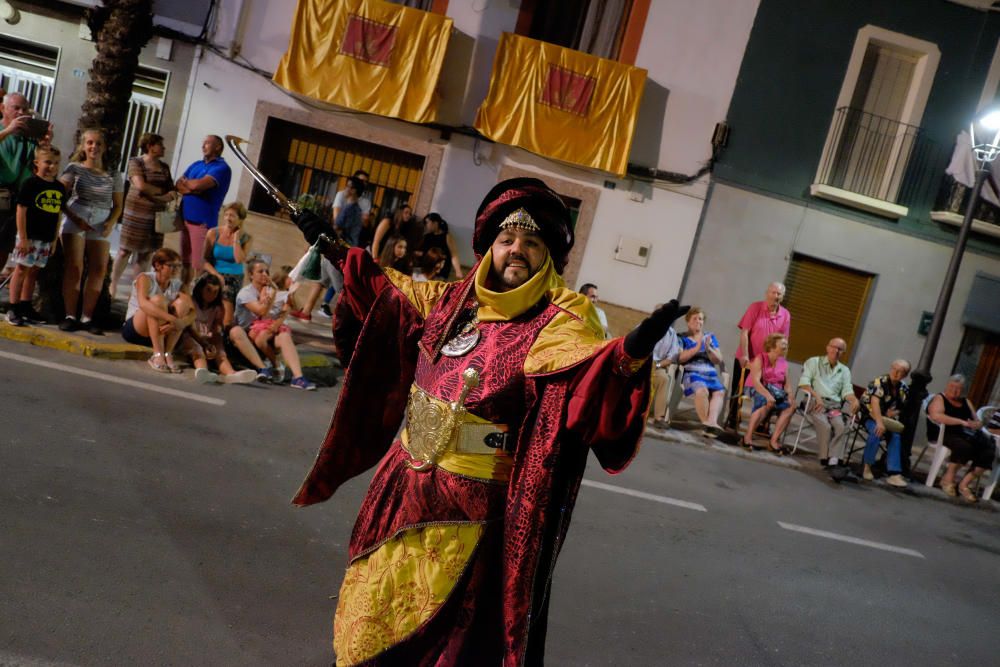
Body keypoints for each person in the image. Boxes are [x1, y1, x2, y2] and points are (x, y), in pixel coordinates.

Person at [290, 176, 687, 664]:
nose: (516, 249)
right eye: (507, 239)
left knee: (443, 642)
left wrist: (632, 350)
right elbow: (383, 291)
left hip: (471, 514)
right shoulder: (453, 302)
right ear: (489, 248)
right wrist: (330, 244)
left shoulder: (561, 321)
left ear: (550, 257)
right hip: (399, 492)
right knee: (370, 618)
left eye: (532, 242)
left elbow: (588, 379)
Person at [59, 128, 124, 335]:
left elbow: (118, 205)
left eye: (97, 143)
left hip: (102, 219)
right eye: (89, 143)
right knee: (74, 267)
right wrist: (74, 217)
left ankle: (87, 317)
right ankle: (70, 315)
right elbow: (60, 194)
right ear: (83, 145)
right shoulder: (74, 168)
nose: (93, 147)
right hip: (77, 215)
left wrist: (110, 223)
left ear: (103, 147)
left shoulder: (113, 173)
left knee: (98, 269)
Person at [232, 259, 316, 390]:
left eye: (267, 271)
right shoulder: (246, 293)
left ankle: (298, 378)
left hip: (265, 331)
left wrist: (278, 322)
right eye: (260, 271)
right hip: (247, 334)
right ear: (251, 275)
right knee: (242, 332)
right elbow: (262, 312)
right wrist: (275, 293)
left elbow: (288, 309)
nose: (265, 274)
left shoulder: (271, 291)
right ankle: (269, 366)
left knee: (284, 336)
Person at [110, 132, 175, 298]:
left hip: (155, 216)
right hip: (136, 213)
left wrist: (162, 194)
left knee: (146, 253)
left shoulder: (164, 167)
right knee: (125, 250)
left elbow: (171, 189)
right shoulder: (136, 162)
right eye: (160, 144)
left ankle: (137, 290)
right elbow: (140, 185)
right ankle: (113, 283)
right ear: (150, 146)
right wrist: (161, 193)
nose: (164, 148)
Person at [5, 146, 65, 326]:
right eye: (47, 162)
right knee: (22, 269)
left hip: (46, 237)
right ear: (37, 163)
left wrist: (54, 240)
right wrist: (22, 237)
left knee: (34, 270)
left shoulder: (59, 188)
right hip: (29, 236)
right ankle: (13, 307)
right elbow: (21, 210)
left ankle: (25, 305)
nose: (51, 167)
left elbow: (58, 215)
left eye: (55, 163)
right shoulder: (30, 184)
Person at [725, 282, 791, 430]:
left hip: (767, 362)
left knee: (769, 391)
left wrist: (778, 363)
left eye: (779, 294)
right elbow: (744, 333)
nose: (775, 296)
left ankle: (761, 423)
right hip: (748, 357)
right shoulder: (755, 307)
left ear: (782, 296)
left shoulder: (785, 315)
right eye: (773, 292)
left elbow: (783, 342)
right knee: (738, 388)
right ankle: (732, 418)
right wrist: (745, 355)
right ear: (767, 293)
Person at [0, 92, 53, 274]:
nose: (21, 112)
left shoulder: (30, 139)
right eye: (16, 108)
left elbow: (42, 168)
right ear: (3, 109)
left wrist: (45, 144)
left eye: (24, 109)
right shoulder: (2, 132)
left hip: (17, 201)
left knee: (3, 248)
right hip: (1, 193)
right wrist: (8, 131)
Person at [121, 247, 194, 373]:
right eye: (171, 266)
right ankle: (157, 354)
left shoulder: (179, 285)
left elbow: (193, 312)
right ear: (158, 265)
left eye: (178, 266)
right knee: (157, 301)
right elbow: (143, 304)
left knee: (183, 303)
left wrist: (182, 322)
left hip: (162, 331)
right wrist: (172, 319)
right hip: (137, 329)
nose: (176, 269)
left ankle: (168, 353)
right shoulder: (145, 278)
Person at [179, 272, 257, 384]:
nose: (212, 295)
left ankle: (231, 374)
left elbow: (217, 329)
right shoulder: (192, 302)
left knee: (219, 351)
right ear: (201, 289)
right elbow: (189, 328)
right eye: (208, 290)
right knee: (197, 349)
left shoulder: (217, 308)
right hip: (191, 336)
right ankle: (202, 370)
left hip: (207, 338)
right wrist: (203, 342)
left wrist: (214, 343)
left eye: (216, 292)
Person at [176, 135, 232, 285]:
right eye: (203, 143)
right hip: (186, 219)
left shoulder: (222, 168)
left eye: (207, 143)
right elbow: (178, 184)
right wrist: (192, 188)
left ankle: (196, 299)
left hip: (202, 223)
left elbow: (197, 185)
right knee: (185, 262)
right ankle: (184, 293)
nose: (203, 146)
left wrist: (191, 186)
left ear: (218, 147)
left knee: (199, 264)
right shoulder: (196, 165)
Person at [798, 337, 859, 474]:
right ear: (827, 347)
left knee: (841, 427)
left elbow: (847, 391)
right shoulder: (814, 362)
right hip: (814, 401)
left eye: (840, 349)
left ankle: (834, 462)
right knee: (825, 426)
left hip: (834, 406)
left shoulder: (844, 370)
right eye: (833, 347)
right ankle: (826, 459)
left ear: (843, 352)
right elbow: (804, 383)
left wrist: (854, 400)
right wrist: (817, 397)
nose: (836, 351)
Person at [928, 374, 993, 502]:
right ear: (947, 386)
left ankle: (964, 484)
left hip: (965, 434)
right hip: (945, 433)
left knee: (988, 452)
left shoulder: (965, 401)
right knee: (963, 447)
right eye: (952, 387)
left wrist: (977, 424)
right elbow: (937, 416)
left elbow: (977, 421)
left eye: (958, 388)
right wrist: (960, 422)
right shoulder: (939, 398)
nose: (955, 391)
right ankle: (948, 479)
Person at [858, 359, 911, 487]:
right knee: (877, 430)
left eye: (900, 371)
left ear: (905, 375)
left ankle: (894, 473)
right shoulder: (879, 382)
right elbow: (874, 403)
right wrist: (880, 422)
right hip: (869, 415)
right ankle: (867, 466)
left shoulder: (903, 388)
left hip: (886, 418)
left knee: (896, 435)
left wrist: (894, 413)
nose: (896, 372)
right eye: (894, 368)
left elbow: (902, 407)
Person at [202, 201, 252, 328]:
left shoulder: (246, 237)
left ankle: (225, 330)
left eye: (232, 216)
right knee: (203, 288)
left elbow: (239, 259)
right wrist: (216, 275)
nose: (228, 219)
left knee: (226, 293)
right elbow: (204, 260)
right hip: (214, 273)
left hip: (233, 277)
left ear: (240, 220)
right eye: (227, 215)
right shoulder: (213, 233)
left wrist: (236, 239)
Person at [743, 333, 795, 453]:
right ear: (772, 346)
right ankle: (747, 437)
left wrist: (790, 395)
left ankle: (773, 441)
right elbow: (756, 381)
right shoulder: (760, 358)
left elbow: (786, 384)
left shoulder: (784, 363)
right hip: (757, 387)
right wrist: (768, 395)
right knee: (766, 403)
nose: (786, 346)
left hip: (776, 392)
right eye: (783, 344)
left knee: (791, 407)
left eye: (786, 344)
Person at [677, 307, 725, 435]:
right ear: (688, 322)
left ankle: (712, 422)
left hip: (710, 373)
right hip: (692, 373)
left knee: (719, 392)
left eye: (701, 319)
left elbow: (718, 359)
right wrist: (697, 347)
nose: (698, 321)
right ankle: (705, 423)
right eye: (695, 318)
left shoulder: (710, 337)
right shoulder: (682, 337)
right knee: (702, 390)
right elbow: (680, 358)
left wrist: (708, 348)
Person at [649, 318, 680, 429]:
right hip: (641, 363)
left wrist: (657, 366)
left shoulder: (671, 334)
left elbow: (672, 357)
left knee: (664, 378)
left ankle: (658, 417)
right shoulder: (645, 326)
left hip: (657, 365)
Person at [418, 212, 463, 280]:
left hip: (440, 271)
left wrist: (458, 270)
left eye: (427, 222)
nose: (426, 225)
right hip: (426, 271)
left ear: (435, 223)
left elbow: (454, 254)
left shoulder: (447, 236)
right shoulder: (427, 237)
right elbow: (422, 252)